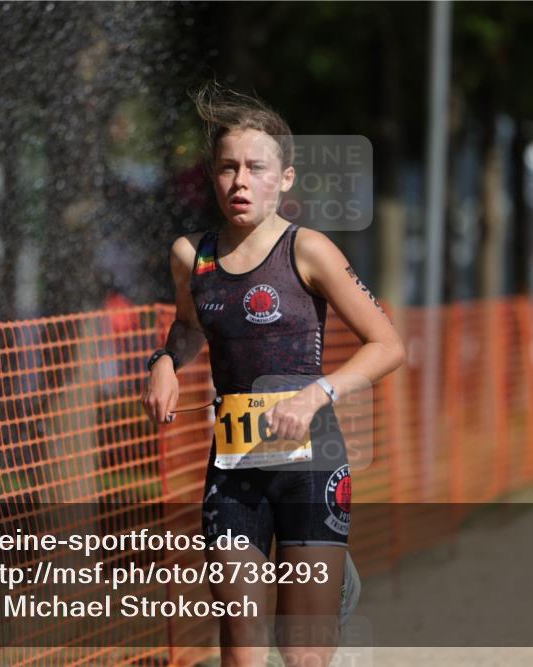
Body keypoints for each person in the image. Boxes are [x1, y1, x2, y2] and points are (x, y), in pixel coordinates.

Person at [142, 83, 404, 667]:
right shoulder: (192, 256)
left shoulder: (307, 250)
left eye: (256, 168)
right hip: (234, 470)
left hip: (309, 467)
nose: (240, 181)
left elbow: (387, 345)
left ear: (284, 179)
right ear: (212, 177)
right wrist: (164, 361)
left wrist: (317, 394)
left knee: (304, 652)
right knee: (242, 650)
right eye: (228, 168)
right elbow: (188, 328)